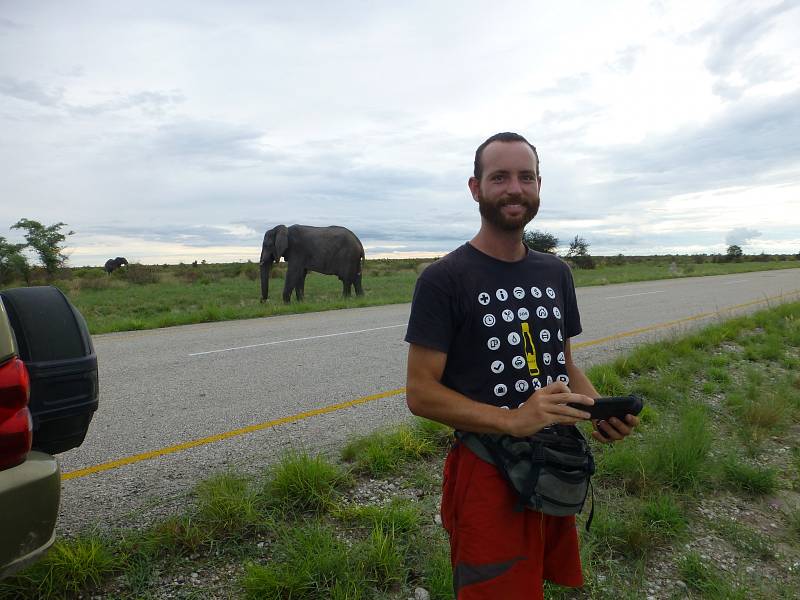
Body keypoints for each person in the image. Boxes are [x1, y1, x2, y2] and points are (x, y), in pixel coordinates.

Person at [404, 132, 639, 599]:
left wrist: (596, 410)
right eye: (500, 177)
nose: (515, 188)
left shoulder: (555, 272)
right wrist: (512, 421)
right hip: (486, 469)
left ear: (538, 186)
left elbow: (562, 364)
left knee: (534, 583)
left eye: (525, 177)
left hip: (555, 458)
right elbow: (421, 392)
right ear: (476, 188)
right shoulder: (444, 279)